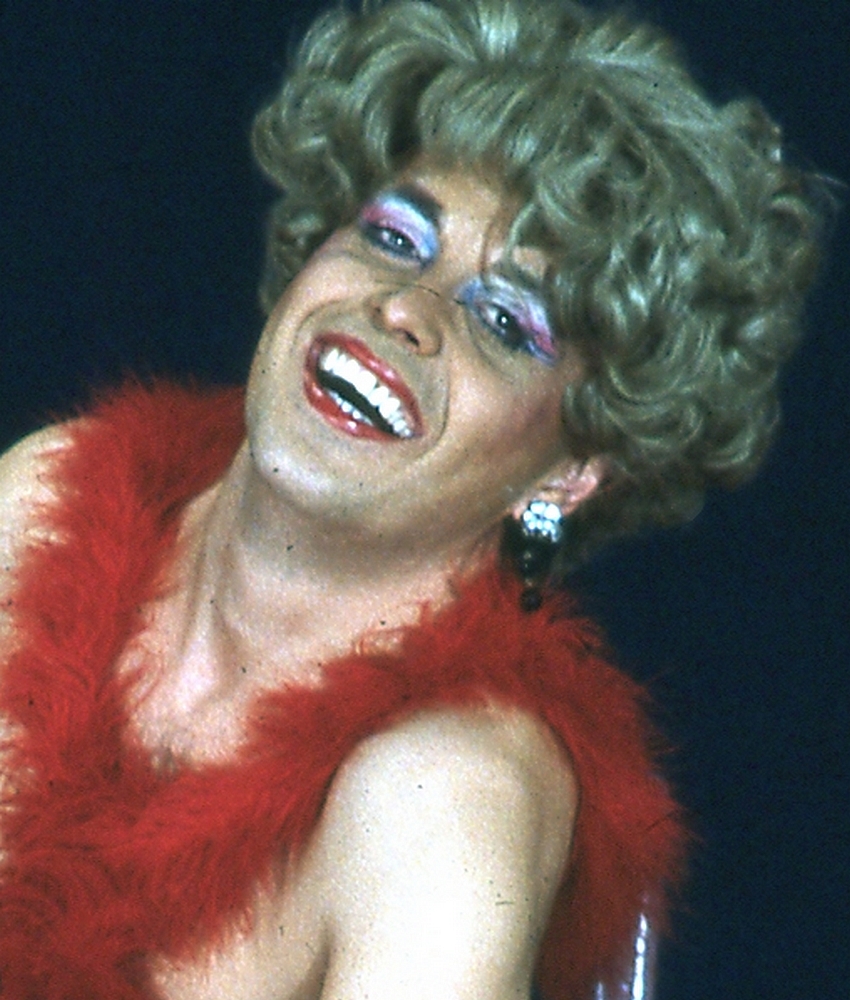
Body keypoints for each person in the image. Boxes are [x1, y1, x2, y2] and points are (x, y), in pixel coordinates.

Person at [0, 0, 825, 998]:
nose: (404, 307)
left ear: (569, 471)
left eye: (506, 325)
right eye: (395, 236)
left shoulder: (443, 799)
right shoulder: (45, 496)